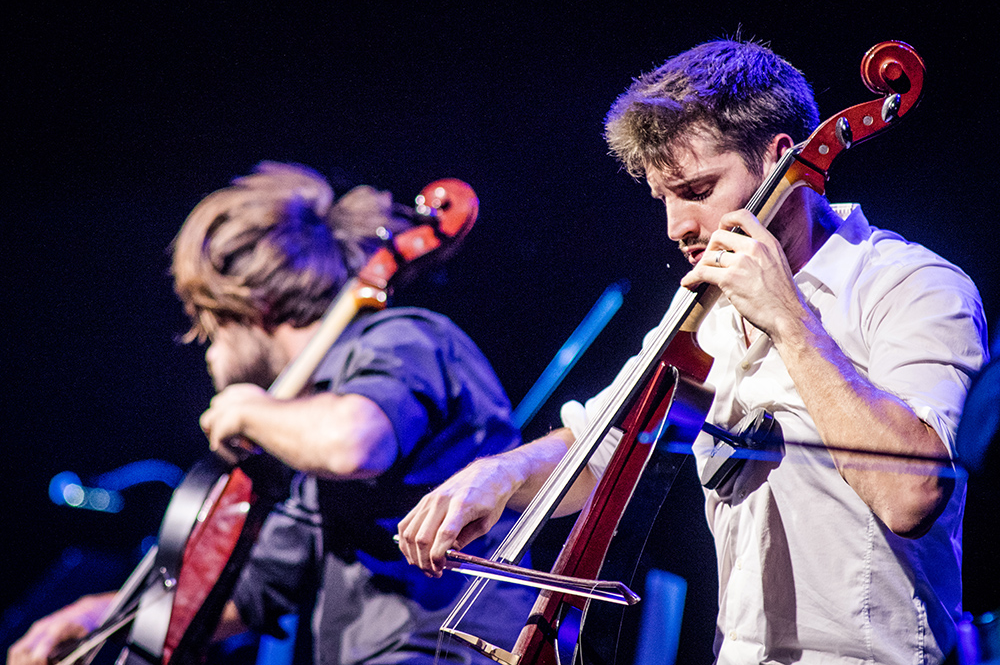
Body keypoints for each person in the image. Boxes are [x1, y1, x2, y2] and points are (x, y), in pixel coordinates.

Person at [397, 40, 990, 664]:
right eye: (665, 199)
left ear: (780, 160)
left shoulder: (911, 285)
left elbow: (911, 497)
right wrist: (499, 473)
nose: (677, 227)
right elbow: (604, 444)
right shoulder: (703, 315)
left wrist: (787, 317)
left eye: (698, 189)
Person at [8, 162, 532, 665]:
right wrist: (102, 614)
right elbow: (251, 590)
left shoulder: (402, 338)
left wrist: (249, 408)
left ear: (248, 306)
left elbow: (354, 442)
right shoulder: (299, 428)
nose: (203, 346)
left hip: (451, 649)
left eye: (204, 320)